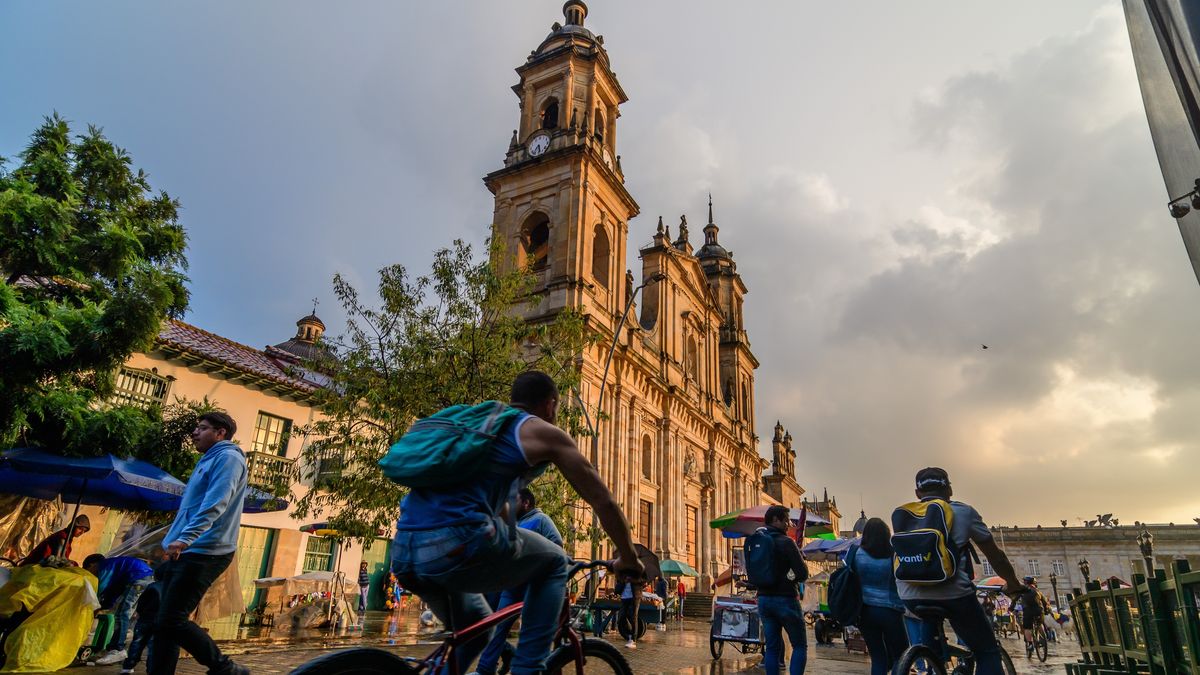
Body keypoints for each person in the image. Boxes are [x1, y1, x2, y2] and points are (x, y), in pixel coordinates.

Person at [391, 371, 644, 675]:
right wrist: (629, 558)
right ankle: (527, 669)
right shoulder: (540, 431)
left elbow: (497, 510)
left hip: (404, 551)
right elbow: (604, 501)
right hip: (456, 542)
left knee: (477, 631)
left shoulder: (484, 428)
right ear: (551, 405)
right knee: (555, 562)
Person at [149, 411, 249, 675]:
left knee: (172, 619)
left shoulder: (228, 458)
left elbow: (216, 503)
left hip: (206, 550)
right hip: (187, 550)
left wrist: (185, 539)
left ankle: (225, 668)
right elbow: (190, 509)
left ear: (220, 433)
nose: (194, 432)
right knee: (164, 624)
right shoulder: (208, 460)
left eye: (202, 428)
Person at [897, 468, 1024, 675]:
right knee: (987, 651)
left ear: (917, 493)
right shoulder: (964, 512)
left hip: (910, 595)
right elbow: (996, 556)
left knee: (931, 643)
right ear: (949, 490)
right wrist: (1013, 584)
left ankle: (931, 661)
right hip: (954, 595)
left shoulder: (905, 514)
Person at [472, 488, 564, 675]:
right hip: (511, 587)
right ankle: (485, 669)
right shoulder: (511, 523)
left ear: (526, 503)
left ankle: (538, 667)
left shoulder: (541, 520)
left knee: (534, 633)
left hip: (534, 586)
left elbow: (557, 546)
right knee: (498, 627)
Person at [753, 505, 810, 675]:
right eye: (786, 520)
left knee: (772, 648)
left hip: (764, 600)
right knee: (799, 645)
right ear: (775, 520)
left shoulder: (757, 541)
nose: (788, 524)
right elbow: (802, 574)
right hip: (786, 600)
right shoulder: (787, 542)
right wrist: (790, 575)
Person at [847, 517, 908, 675]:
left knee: (878, 656)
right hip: (891, 610)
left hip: (865, 611)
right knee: (901, 656)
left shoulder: (855, 552)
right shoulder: (894, 554)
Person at [82, 554, 155, 665]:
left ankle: (117, 649)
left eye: (89, 571)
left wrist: (94, 605)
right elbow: (113, 591)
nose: (93, 575)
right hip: (144, 578)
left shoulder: (104, 565)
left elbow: (102, 588)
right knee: (123, 613)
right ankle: (114, 648)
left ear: (92, 565)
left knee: (122, 614)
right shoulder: (117, 568)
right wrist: (103, 606)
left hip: (139, 578)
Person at [120, 566, 165, 674]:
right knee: (153, 647)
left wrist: (139, 612)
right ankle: (151, 669)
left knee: (137, 643)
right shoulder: (172, 588)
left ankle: (128, 666)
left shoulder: (152, 586)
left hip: (145, 619)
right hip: (160, 621)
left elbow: (142, 601)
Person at [17, 514, 90, 566]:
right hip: (33, 566)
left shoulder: (67, 538)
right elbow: (58, 559)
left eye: (84, 531)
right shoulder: (62, 537)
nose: (81, 532)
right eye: (80, 529)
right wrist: (72, 564)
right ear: (73, 526)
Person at [1013, 576, 1052, 656]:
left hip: (1028, 611)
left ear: (1026, 583)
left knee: (1027, 628)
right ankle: (1043, 636)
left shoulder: (1023, 591)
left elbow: (1015, 600)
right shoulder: (1038, 591)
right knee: (1039, 623)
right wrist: (1046, 611)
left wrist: (1011, 608)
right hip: (1039, 611)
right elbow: (1045, 602)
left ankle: (1030, 644)